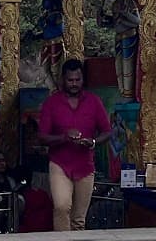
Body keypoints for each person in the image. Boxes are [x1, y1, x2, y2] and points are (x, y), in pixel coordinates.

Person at [36, 58, 112, 231]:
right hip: (59, 164)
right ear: (63, 80)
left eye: (78, 80)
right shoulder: (52, 103)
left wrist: (92, 142)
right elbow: (41, 136)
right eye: (70, 80)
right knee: (62, 207)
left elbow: (107, 131)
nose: (74, 84)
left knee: (78, 219)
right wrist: (64, 137)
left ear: (83, 79)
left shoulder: (94, 101)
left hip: (85, 165)